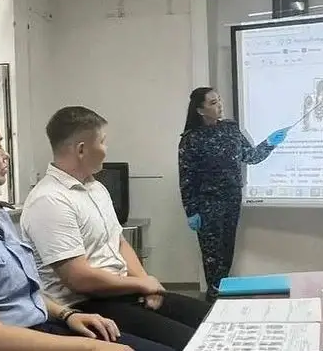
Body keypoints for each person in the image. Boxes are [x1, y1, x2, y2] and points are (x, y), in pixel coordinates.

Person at [0, 107, 171, 351]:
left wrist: (67, 315)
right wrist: (91, 347)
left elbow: (19, 293)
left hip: (35, 329)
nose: (6, 155)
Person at [20, 106, 211, 351]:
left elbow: (118, 242)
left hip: (122, 292)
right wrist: (141, 285)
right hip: (86, 305)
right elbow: (79, 279)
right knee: (193, 343)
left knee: (212, 320)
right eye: (102, 141)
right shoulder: (50, 200)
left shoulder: (96, 188)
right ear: (81, 149)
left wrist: (144, 281)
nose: (106, 149)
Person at [178, 87, 289, 298]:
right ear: (200, 110)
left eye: (219, 100)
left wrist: (269, 143)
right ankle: (212, 299)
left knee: (226, 252)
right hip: (208, 205)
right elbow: (186, 178)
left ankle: (223, 295)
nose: (219, 105)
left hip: (231, 200)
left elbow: (251, 156)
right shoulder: (191, 139)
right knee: (212, 257)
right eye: (213, 103)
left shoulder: (231, 129)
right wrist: (191, 210)